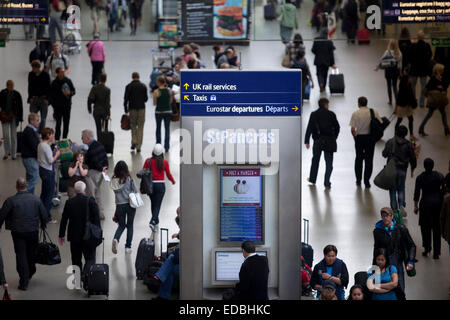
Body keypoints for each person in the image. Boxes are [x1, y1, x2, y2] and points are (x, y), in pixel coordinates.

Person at [0, 178, 48, 290]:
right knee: (31, 253)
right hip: (33, 231)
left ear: (16, 187)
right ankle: (31, 271)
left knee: (21, 255)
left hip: (17, 232)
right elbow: (44, 215)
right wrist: (43, 224)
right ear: (26, 186)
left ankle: (24, 282)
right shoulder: (36, 199)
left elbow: (2, 214)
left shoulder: (11, 200)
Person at [59, 181, 101, 276]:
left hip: (74, 236)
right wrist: (98, 233)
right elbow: (96, 219)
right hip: (89, 235)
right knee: (90, 258)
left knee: (76, 259)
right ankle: (87, 277)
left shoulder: (69, 202)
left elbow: (64, 219)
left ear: (75, 190)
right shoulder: (91, 201)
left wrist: (61, 234)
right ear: (85, 190)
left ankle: (78, 281)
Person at [373, 207, 416, 292]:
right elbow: (376, 249)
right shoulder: (377, 232)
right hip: (384, 264)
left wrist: (411, 261)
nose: (385, 218)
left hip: (398, 262)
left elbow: (411, 245)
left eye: (387, 215)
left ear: (392, 216)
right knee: (387, 288)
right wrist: (375, 267)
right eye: (383, 216)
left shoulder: (401, 229)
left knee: (400, 288)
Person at [304, 98, 340, 189]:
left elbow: (310, 128)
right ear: (325, 105)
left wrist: (307, 141)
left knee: (315, 160)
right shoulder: (331, 114)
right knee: (329, 163)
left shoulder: (314, 114)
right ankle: (327, 182)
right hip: (329, 141)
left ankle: (312, 179)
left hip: (318, 141)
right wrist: (334, 137)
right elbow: (337, 127)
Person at [414, 158, 445, 259]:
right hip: (437, 204)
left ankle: (427, 248)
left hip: (425, 204)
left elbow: (417, 193)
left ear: (424, 166)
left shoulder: (420, 178)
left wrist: (416, 206)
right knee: (436, 228)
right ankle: (436, 252)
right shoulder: (439, 176)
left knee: (425, 228)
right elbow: (444, 190)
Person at [382, 125, 417, 212]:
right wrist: (413, 167)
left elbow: (384, 154)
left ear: (396, 132)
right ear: (406, 134)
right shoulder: (408, 144)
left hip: (392, 169)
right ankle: (401, 204)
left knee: (392, 189)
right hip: (402, 169)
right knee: (401, 188)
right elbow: (413, 157)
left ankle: (394, 209)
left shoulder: (390, 142)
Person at [349, 96, 382, 188]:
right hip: (370, 138)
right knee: (369, 160)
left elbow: (352, 129)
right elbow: (380, 123)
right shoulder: (374, 112)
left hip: (359, 138)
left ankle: (358, 180)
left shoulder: (355, 113)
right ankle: (367, 181)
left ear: (358, 103)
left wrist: (355, 137)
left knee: (358, 159)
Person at [142, 144, 175, 230]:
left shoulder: (148, 161)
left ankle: (156, 224)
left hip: (150, 186)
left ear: (153, 152)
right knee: (157, 205)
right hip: (160, 186)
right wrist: (172, 181)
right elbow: (168, 174)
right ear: (162, 153)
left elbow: (143, 171)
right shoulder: (165, 162)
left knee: (153, 204)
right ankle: (153, 221)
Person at [110, 161, 138, 254]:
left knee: (121, 225)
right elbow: (135, 190)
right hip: (130, 204)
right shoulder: (129, 179)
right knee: (130, 225)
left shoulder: (113, 181)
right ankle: (128, 247)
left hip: (119, 205)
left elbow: (115, 191)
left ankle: (116, 239)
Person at [82, 129, 108, 220]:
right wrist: (105, 168)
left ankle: (93, 215)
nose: (82, 139)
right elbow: (105, 157)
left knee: (91, 194)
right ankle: (101, 213)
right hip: (101, 174)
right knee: (97, 193)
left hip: (93, 173)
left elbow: (94, 162)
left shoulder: (91, 150)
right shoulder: (99, 145)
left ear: (87, 138)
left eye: (83, 138)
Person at [418, 63, 449, 136]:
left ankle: (446, 129)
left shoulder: (442, 78)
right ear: (438, 70)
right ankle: (421, 128)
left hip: (440, 100)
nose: (443, 71)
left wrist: (441, 86)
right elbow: (428, 88)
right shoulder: (432, 79)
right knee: (430, 114)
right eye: (441, 70)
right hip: (434, 101)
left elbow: (445, 86)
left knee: (443, 114)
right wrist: (438, 87)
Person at [38, 128, 60, 224]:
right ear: (47, 135)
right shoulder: (45, 146)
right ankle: (46, 217)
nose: (53, 136)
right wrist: (58, 154)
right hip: (48, 172)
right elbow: (51, 160)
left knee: (44, 194)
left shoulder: (41, 145)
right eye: (51, 134)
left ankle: (41, 214)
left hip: (43, 171)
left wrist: (54, 150)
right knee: (49, 196)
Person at [124, 72, 148, 153]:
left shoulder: (128, 86)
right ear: (138, 77)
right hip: (141, 108)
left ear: (132, 77)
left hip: (132, 108)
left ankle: (134, 141)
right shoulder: (143, 86)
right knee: (140, 127)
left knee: (133, 125)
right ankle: (138, 146)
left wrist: (125, 109)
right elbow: (146, 99)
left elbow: (125, 99)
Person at [50, 67, 75, 141]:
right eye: (61, 72)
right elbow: (51, 95)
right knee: (58, 124)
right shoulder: (54, 83)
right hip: (57, 107)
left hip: (67, 106)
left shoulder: (68, 81)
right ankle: (57, 140)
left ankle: (64, 139)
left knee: (66, 123)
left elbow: (74, 91)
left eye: (63, 72)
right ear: (57, 73)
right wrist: (53, 105)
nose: (63, 73)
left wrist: (70, 93)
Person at [0, 80, 23, 160]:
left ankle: (14, 154)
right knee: (6, 135)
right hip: (4, 116)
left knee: (13, 136)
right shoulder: (2, 93)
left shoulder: (17, 94)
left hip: (14, 117)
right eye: (9, 85)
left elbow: (20, 107)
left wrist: (20, 118)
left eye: (12, 86)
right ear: (6, 86)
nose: (11, 87)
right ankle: (7, 152)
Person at [409, 30, 432, 108]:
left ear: (417, 37)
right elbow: (430, 56)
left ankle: (413, 101)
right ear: (423, 37)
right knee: (423, 86)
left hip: (414, 69)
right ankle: (421, 102)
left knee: (413, 86)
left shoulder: (413, 46)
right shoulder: (427, 46)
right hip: (423, 69)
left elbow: (410, 57)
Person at [376, 39, 402, 105]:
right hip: (395, 72)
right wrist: (400, 72)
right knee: (395, 86)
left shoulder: (387, 52)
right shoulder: (399, 53)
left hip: (388, 71)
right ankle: (397, 100)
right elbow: (400, 65)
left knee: (389, 86)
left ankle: (390, 101)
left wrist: (378, 66)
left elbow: (381, 59)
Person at [28, 60, 51, 133]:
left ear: (38, 68)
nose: (32, 70)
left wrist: (47, 99)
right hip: (34, 99)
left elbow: (49, 88)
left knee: (43, 118)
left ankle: (41, 133)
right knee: (32, 118)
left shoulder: (46, 75)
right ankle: (34, 132)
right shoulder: (31, 74)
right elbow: (30, 86)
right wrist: (30, 97)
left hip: (43, 99)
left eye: (34, 68)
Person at [20, 113, 41, 194]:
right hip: (30, 159)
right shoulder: (29, 131)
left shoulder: (31, 130)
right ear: (31, 121)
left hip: (29, 158)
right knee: (34, 179)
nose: (38, 122)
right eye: (37, 120)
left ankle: (29, 197)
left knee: (30, 178)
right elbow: (35, 146)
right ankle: (22, 195)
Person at [311, 28, 337, 92]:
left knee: (319, 73)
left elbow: (313, 50)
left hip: (318, 60)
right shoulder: (330, 42)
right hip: (327, 61)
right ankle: (324, 87)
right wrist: (333, 63)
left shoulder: (316, 40)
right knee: (325, 74)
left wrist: (317, 54)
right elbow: (331, 54)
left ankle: (320, 83)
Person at [87, 73, 111, 139]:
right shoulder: (107, 90)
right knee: (105, 128)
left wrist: (89, 109)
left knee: (98, 128)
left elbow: (89, 99)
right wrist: (108, 114)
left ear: (99, 79)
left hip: (96, 110)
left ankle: (99, 141)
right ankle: (105, 142)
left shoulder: (94, 88)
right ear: (106, 80)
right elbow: (107, 103)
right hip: (104, 111)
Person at [153, 76, 173, 153]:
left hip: (159, 112)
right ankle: (167, 146)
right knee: (167, 129)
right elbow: (170, 101)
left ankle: (158, 145)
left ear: (158, 82)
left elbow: (155, 103)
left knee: (158, 128)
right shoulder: (169, 91)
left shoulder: (156, 92)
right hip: (168, 111)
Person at [394, 74, 417, 139]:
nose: (411, 79)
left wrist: (413, 104)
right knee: (399, 120)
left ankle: (411, 135)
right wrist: (395, 109)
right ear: (406, 80)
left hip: (408, 106)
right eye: (409, 78)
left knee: (411, 119)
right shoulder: (402, 88)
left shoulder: (409, 86)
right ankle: (395, 134)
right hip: (402, 106)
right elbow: (398, 99)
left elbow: (411, 96)